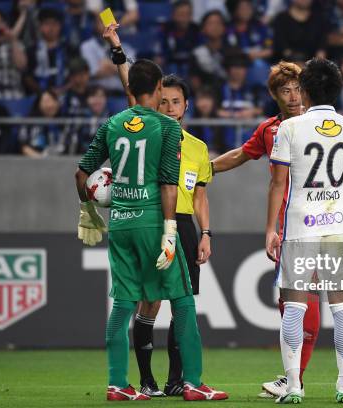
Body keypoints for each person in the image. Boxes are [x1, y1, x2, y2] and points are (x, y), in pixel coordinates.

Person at [86, 26, 225, 401]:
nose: (169, 107)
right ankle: (154, 380)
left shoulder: (195, 147)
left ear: (186, 105)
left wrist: (206, 233)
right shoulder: (155, 129)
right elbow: (134, 87)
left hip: (169, 223)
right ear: (157, 98)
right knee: (165, 302)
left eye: (176, 102)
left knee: (165, 301)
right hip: (158, 221)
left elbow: (199, 196)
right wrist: (117, 48)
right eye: (164, 100)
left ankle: (172, 380)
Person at [211, 61, 322, 400]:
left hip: (321, 223)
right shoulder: (269, 130)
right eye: (285, 90)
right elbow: (240, 156)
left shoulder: (320, 125)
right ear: (274, 95)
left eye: (298, 89)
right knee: (295, 306)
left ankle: (296, 379)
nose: (293, 96)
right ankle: (294, 378)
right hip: (290, 228)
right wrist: (203, 168)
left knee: (310, 309)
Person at [265, 57, 343, 404]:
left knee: (294, 308)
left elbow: (278, 184)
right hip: (338, 226)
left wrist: (269, 230)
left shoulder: (289, 129)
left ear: (304, 90)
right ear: (338, 89)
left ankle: (292, 387)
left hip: (300, 225)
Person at [25, 7, 69, 93]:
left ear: (60, 26)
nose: (51, 28)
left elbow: (75, 74)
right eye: (47, 24)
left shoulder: (68, 48)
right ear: (40, 27)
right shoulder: (32, 50)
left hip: (66, 93)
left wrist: (64, 89)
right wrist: (42, 91)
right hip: (40, 95)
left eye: (54, 24)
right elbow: (27, 77)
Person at [19, 90, 70, 157]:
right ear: (39, 104)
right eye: (46, 101)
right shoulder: (29, 122)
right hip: (35, 163)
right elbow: (24, 147)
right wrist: (40, 159)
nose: (50, 105)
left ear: (58, 103)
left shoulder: (64, 123)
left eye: (53, 101)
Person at [190, 10, 228, 92]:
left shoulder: (232, 51)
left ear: (224, 28)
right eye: (211, 23)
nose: (215, 27)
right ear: (203, 29)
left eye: (218, 23)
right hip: (206, 96)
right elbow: (195, 81)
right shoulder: (197, 53)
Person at [156, 0, 201, 70]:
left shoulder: (196, 30)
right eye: (181, 14)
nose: (184, 18)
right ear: (173, 15)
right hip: (169, 66)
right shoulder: (165, 30)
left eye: (188, 14)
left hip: (192, 68)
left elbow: (200, 53)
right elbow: (160, 53)